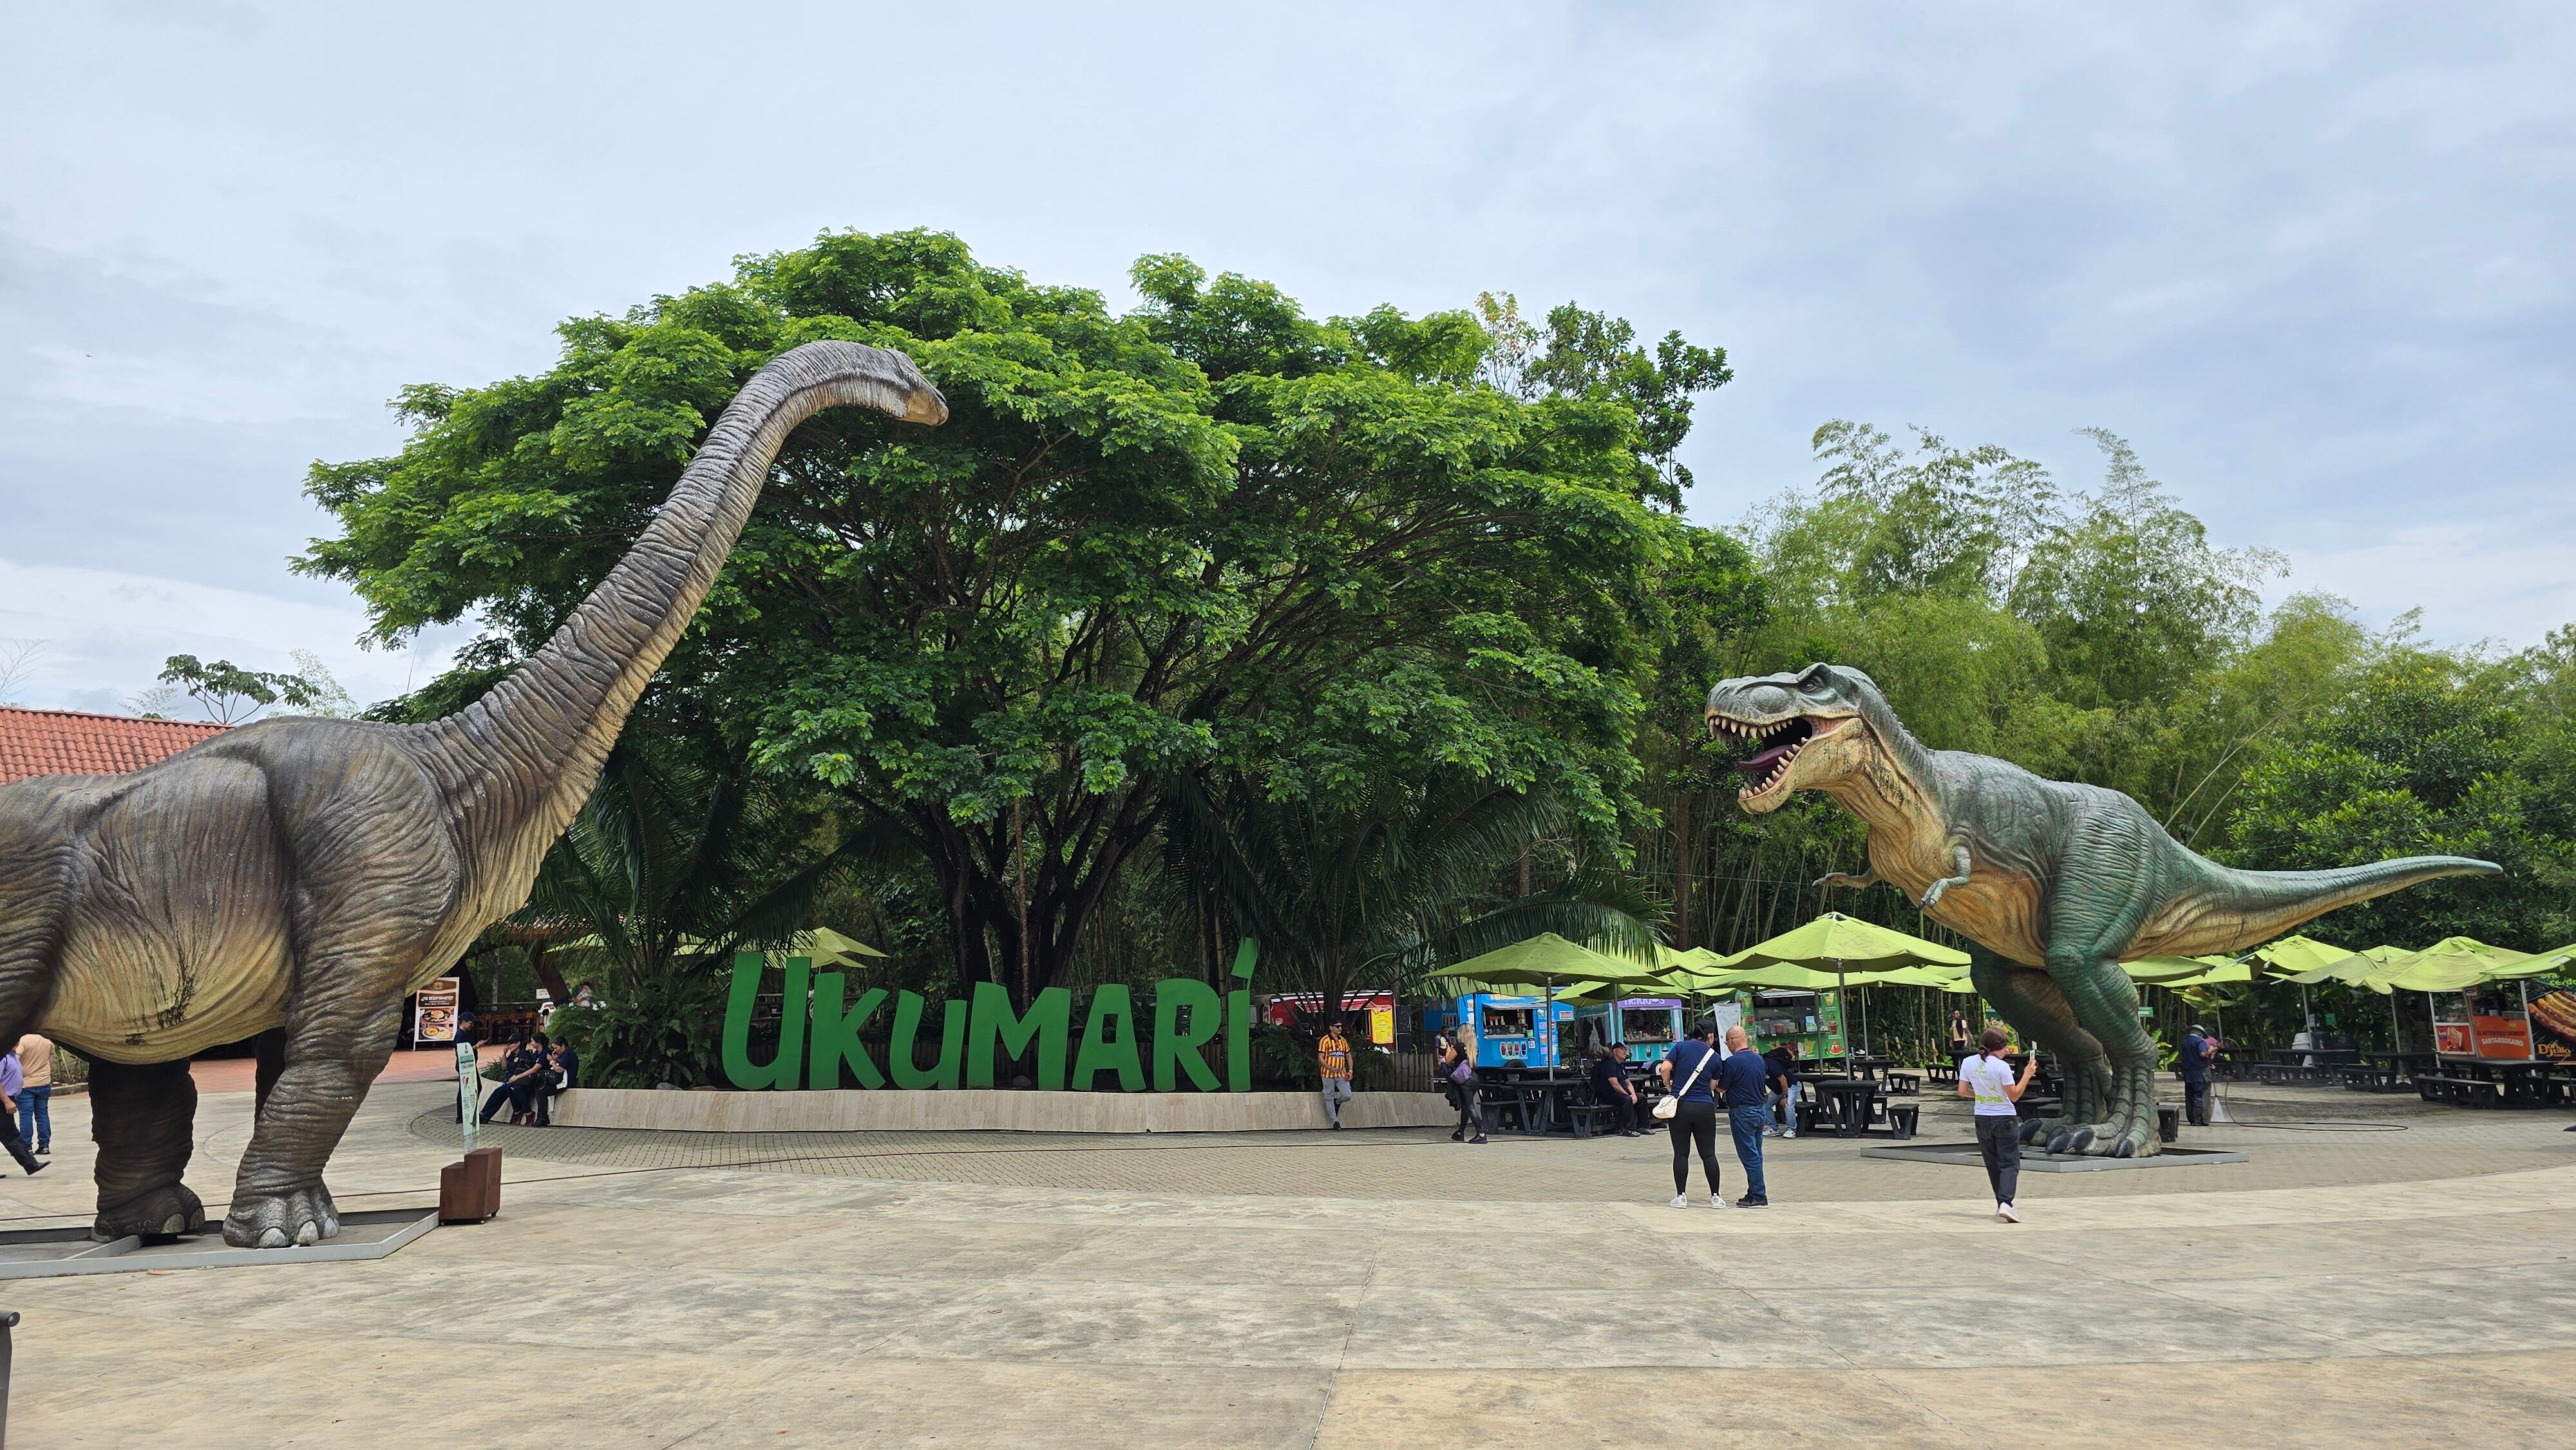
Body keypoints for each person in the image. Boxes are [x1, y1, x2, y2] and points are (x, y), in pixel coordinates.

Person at [1957, 1025, 2040, 1221]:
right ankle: (2006, 1203)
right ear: (1996, 1048)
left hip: (1982, 1119)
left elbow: (1962, 1091)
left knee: (1993, 1164)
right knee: (2010, 1163)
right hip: (2004, 1119)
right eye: (2004, 1048)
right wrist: (2027, 1074)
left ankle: (2001, 1203)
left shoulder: (1968, 1062)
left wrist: (1981, 1095)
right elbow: (2014, 1095)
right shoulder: (2001, 1067)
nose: (2006, 1051)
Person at [1656, 1019, 1725, 1209]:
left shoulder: (1680, 1047)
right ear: (1710, 1035)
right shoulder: (1714, 1056)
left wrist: (1669, 1085)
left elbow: (1665, 1068)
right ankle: (1716, 1197)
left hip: (1681, 1106)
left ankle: (1681, 1196)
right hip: (1704, 1107)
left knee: (1681, 1153)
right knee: (1709, 1154)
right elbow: (1713, 1086)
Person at [1719, 1026, 1772, 1207]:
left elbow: (1722, 1087)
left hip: (1742, 1112)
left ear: (1732, 1040)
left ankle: (1758, 1195)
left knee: (1749, 1156)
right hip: (1760, 1110)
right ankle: (1754, 1191)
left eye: (1727, 1042)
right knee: (1756, 1155)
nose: (1727, 1046)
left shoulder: (1732, 1063)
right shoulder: (1759, 1060)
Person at [0, 1045, 46, 1178]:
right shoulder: (3, 1058)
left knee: (8, 1133)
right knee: (10, 1134)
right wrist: (7, 1101)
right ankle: (30, 1164)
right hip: (3, 1098)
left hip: (10, 1097)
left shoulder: (13, 1056)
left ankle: (30, 1164)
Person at [1437, 1031, 1488, 1144]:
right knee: (1466, 1106)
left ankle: (1481, 1133)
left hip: (1464, 1081)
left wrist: (1449, 1049)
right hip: (1474, 1078)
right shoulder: (1474, 1047)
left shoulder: (1460, 1046)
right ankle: (1461, 1132)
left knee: (1469, 1107)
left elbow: (1448, 1060)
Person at [15, 1033, 53, 1155]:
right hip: (44, 1082)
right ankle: (44, 1146)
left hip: (26, 1084)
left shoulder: (23, 1040)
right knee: (42, 1114)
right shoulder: (47, 1041)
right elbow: (51, 1062)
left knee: (26, 1116)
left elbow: (16, 1059)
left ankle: (27, 1147)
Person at [1593, 1042, 1643, 1135]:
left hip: (1621, 1094)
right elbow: (1615, 1085)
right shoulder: (1609, 1065)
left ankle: (1643, 1126)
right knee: (1627, 1099)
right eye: (1622, 1049)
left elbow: (1628, 1083)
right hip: (1610, 1095)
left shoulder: (1621, 1065)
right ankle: (1628, 1129)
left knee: (1641, 1098)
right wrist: (1628, 1095)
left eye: (1625, 1049)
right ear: (1615, 1052)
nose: (1625, 1051)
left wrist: (1634, 1095)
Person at [1316, 1019, 1355, 1129]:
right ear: (1331, 1028)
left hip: (1341, 1074)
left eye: (1341, 1026)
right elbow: (1320, 1057)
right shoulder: (1325, 1041)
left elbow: (1348, 1056)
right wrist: (1330, 1068)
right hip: (1327, 1074)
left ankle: (1337, 1102)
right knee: (1328, 1097)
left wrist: (1350, 1070)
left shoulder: (1343, 1041)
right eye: (1337, 1026)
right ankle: (1335, 1122)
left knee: (1347, 1095)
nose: (1340, 1028)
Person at [532, 1039, 580, 1127]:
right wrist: (556, 1060)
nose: (555, 1050)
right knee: (540, 1088)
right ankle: (541, 1117)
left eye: (556, 1048)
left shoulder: (568, 1054)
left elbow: (559, 1069)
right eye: (554, 1048)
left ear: (563, 1046)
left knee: (541, 1091)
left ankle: (543, 1118)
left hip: (566, 1082)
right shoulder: (566, 1054)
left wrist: (552, 1061)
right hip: (562, 1081)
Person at [2179, 1024, 2219, 1126]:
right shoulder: (2200, 1041)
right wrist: (2211, 1050)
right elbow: (2202, 1054)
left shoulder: (2185, 1042)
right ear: (2200, 1033)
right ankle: (2199, 1120)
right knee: (2199, 1096)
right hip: (2200, 1074)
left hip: (2188, 1074)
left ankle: (2192, 1119)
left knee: (2190, 1096)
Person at [1762, 1037, 1801, 1139]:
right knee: (1766, 1105)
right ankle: (1774, 1128)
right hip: (1778, 1089)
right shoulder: (1758, 1068)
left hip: (1791, 1085)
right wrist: (1765, 1094)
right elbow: (1760, 1082)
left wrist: (1785, 1096)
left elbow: (1783, 1080)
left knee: (1787, 1104)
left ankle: (1792, 1129)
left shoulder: (1771, 1065)